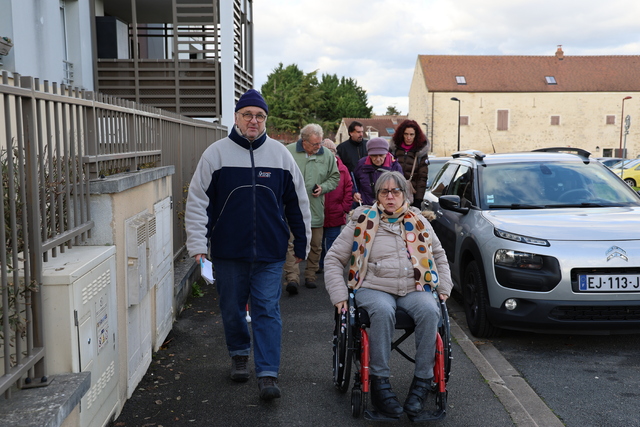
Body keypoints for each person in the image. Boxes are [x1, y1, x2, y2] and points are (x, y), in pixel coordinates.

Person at [185, 89, 311, 401]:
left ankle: (268, 373)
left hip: (270, 252)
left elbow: (298, 202)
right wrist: (198, 246)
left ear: (265, 120)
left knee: (267, 309)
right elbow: (197, 203)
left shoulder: (280, 156)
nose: (253, 120)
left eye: (259, 116)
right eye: (248, 115)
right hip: (228, 253)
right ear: (237, 118)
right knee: (231, 308)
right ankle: (239, 353)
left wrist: (302, 242)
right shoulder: (215, 154)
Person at [324, 170, 452, 419]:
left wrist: (444, 288)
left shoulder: (419, 221)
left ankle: (422, 383)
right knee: (382, 311)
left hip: (413, 287)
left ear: (404, 194)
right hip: (374, 287)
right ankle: (380, 384)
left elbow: (439, 256)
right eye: (385, 192)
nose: (390, 197)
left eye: (396, 191)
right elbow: (333, 258)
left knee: (429, 310)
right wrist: (339, 295)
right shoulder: (361, 221)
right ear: (378, 195)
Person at [283, 124, 340, 294]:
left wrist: (323, 187)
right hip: (292, 208)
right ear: (303, 141)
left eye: (320, 143)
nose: (318, 147)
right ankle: (292, 278)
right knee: (290, 243)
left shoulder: (327, 155)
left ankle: (310, 275)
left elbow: (335, 177)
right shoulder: (288, 151)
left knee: (315, 244)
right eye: (315, 144)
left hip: (315, 207)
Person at [318, 139, 353, 274]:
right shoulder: (316, 167)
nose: (329, 154)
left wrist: (344, 208)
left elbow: (348, 189)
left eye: (331, 151)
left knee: (333, 243)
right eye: (325, 151)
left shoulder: (342, 169)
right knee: (318, 244)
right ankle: (319, 265)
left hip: (335, 212)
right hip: (319, 213)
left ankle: (331, 266)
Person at [390, 120, 430, 208]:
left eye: (411, 134)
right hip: (393, 194)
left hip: (412, 196)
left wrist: (418, 200)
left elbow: (422, 178)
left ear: (416, 135)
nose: (408, 137)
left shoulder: (421, 153)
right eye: (406, 134)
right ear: (402, 134)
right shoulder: (393, 150)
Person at [353, 137, 403, 206]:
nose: (378, 159)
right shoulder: (361, 164)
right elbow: (354, 182)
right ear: (369, 154)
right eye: (374, 155)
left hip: (388, 206)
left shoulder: (395, 166)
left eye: (381, 155)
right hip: (366, 205)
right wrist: (355, 192)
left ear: (386, 153)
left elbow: (401, 188)